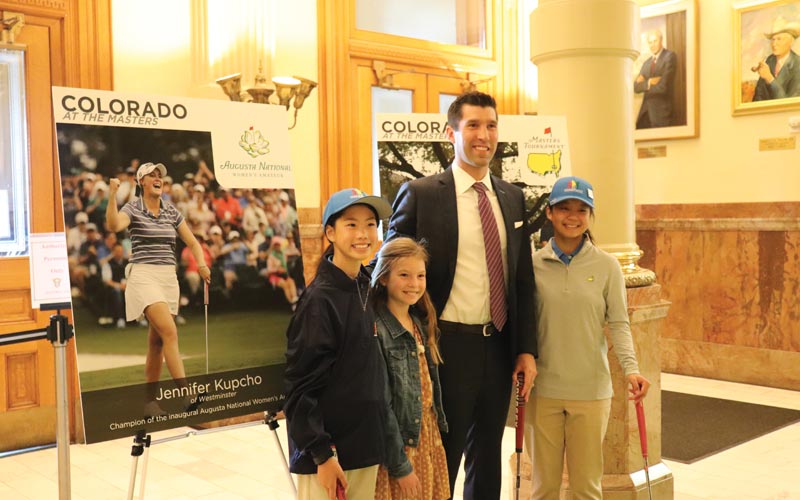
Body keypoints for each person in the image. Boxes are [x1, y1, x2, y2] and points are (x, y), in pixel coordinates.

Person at [384, 91, 537, 500]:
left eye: (490, 125)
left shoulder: (511, 197)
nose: (483, 135)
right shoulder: (421, 193)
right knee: (445, 457)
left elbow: (523, 281)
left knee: (487, 458)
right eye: (472, 125)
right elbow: (391, 269)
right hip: (444, 346)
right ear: (451, 132)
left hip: (499, 346)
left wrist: (526, 350)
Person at [525, 176, 650, 500]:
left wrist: (632, 369)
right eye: (564, 208)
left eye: (581, 209)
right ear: (550, 213)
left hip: (590, 392)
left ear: (590, 215)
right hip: (544, 392)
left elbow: (619, 323)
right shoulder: (531, 266)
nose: (573, 216)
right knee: (543, 487)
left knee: (586, 488)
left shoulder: (607, 266)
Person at [284, 188, 392, 500]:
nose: (363, 234)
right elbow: (299, 388)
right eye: (352, 224)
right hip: (330, 458)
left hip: (364, 448)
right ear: (330, 232)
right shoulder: (319, 300)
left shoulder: (362, 285)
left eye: (371, 224)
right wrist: (322, 455)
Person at [106, 162, 211, 416]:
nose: (157, 178)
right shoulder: (133, 207)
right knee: (170, 332)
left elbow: (193, 243)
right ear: (141, 181)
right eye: (151, 175)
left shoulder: (171, 211)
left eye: (159, 175)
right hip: (143, 275)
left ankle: (149, 403)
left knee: (156, 342)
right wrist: (112, 195)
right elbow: (114, 225)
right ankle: (187, 396)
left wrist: (202, 264)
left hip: (168, 278)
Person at [372, 237, 450, 500]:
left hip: (427, 438)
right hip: (402, 446)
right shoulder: (378, 330)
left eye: (420, 275)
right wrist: (400, 466)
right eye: (404, 275)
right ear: (383, 278)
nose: (414, 284)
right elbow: (382, 406)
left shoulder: (419, 322)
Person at [634, 30, 677, 129]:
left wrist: (643, 84)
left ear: (661, 41)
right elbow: (635, 87)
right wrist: (649, 82)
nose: (652, 45)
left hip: (661, 115)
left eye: (655, 41)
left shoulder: (669, 57)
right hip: (644, 115)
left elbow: (663, 88)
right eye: (650, 42)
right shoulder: (647, 63)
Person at [752, 21, 800, 101]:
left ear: (790, 41)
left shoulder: (798, 64)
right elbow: (758, 95)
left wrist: (770, 79)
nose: (774, 44)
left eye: (779, 39)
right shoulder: (769, 61)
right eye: (773, 39)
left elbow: (790, 102)